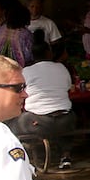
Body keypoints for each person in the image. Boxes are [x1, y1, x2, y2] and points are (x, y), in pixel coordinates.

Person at [13, 37, 77, 170]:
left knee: (13, 123)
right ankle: (65, 155)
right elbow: (67, 87)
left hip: (38, 123)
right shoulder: (61, 68)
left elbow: (21, 92)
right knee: (68, 117)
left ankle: (24, 157)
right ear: (49, 53)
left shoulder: (27, 71)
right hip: (65, 120)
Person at [0, 0, 34, 67]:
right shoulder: (26, 34)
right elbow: (29, 57)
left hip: (0, 69)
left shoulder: (0, 29)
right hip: (19, 72)